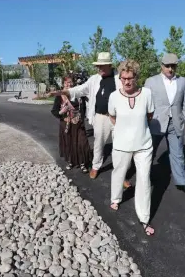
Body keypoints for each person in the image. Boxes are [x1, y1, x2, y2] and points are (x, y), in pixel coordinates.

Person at [48, 52, 131, 188]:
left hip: (118, 118)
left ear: (109, 65)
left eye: (101, 66)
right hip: (101, 117)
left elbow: (128, 92)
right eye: (98, 66)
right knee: (98, 144)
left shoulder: (119, 78)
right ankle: (96, 166)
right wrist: (62, 92)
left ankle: (122, 175)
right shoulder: (94, 79)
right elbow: (80, 89)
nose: (99, 68)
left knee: (120, 148)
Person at [108, 59, 155, 236]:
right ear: (120, 78)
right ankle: (115, 198)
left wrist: (138, 129)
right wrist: (122, 130)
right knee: (118, 172)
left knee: (144, 179)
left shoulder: (147, 94)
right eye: (123, 78)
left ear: (136, 77)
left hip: (144, 145)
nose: (127, 81)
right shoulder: (114, 96)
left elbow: (150, 115)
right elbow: (112, 116)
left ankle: (144, 218)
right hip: (121, 144)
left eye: (130, 78)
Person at [145, 53, 185, 196]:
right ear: (161, 66)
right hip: (156, 122)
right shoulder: (151, 81)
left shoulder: (182, 82)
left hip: (176, 122)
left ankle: (182, 182)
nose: (170, 69)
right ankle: (145, 178)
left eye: (173, 66)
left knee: (178, 153)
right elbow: (145, 102)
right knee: (150, 152)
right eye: (167, 66)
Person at [51, 75, 91, 173]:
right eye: (67, 82)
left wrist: (82, 116)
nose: (69, 84)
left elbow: (83, 107)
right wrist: (61, 112)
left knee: (82, 143)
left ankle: (83, 163)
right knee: (70, 144)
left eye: (71, 82)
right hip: (66, 124)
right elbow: (54, 111)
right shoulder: (60, 96)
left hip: (78, 123)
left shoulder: (77, 93)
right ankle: (71, 161)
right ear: (63, 84)